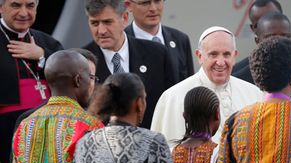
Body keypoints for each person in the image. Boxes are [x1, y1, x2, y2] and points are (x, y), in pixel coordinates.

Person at [0, 0, 63, 163]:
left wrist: (44, 56)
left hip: (47, 139)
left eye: (31, 6)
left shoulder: (47, 43)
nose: (24, 13)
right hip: (5, 139)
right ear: (1, 7)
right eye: (16, 5)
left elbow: (72, 75)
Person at [151, 26, 262, 146]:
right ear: (199, 56)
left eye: (226, 54)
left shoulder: (254, 93)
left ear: (234, 56)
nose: (220, 62)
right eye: (213, 54)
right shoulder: (173, 97)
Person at [83, 0, 176, 128]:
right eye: (94, 23)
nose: (101, 31)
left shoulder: (157, 54)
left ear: (125, 18)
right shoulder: (81, 62)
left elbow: (173, 104)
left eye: (107, 22)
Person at [232, 0, 291, 107]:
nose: (278, 41)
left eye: (284, 36)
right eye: (271, 37)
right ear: (255, 32)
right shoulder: (238, 76)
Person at [13, 48, 99, 130]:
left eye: (92, 77)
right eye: (89, 77)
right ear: (77, 80)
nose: (90, 84)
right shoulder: (92, 122)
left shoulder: (26, 121)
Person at [124, 0, 194, 83]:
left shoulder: (180, 39)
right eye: (145, 3)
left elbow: (190, 85)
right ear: (129, 5)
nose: (153, 8)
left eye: (157, 1)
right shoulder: (121, 42)